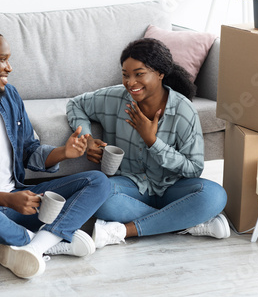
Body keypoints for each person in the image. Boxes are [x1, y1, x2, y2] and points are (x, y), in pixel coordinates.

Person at [0, 28, 110, 279]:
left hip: (20, 203)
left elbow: (29, 150)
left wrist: (63, 153)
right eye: (2, 59)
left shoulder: (10, 97)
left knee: (98, 181)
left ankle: (34, 247)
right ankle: (48, 241)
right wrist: (5, 200)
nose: (9, 67)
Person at [66, 38, 230, 249]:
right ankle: (186, 223)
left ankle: (125, 230)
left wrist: (152, 141)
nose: (130, 82)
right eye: (126, 75)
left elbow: (194, 169)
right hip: (130, 185)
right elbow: (75, 104)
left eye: (139, 74)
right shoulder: (114, 98)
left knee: (214, 196)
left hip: (173, 187)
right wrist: (86, 139)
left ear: (160, 73)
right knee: (98, 195)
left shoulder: (183, 110)